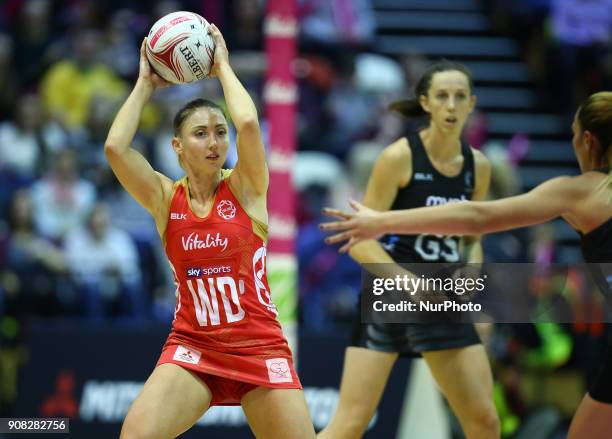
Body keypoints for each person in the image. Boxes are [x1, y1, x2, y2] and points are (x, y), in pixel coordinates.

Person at [321, 91, 612, 439]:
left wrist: (382, 221)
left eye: (573, 135)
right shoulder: (400, 160)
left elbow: (476, 218)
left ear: (589, 140)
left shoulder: (585, 192)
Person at [105, 25, 315, 439]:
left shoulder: (246, 187)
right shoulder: (166, 198)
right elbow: (115, 148)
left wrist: (222, 66)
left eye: (219, 132)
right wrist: (145, 84)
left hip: (259, 346)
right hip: (193, 347)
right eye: (200, 134)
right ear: (177, 147)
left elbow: (250, 124)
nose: (214, 141)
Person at [318, 60, 500, 439]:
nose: (451, 105)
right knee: (350, 423)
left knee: (484, 422)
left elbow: (472, 236)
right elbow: (358, 241)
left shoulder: (477, 167)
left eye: (460, 97)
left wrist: (471, 274)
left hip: (444, 300)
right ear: (426, 103)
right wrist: (410, 286)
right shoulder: (398, 157)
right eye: (442, 96)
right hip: (393, 296)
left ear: (472, 105)